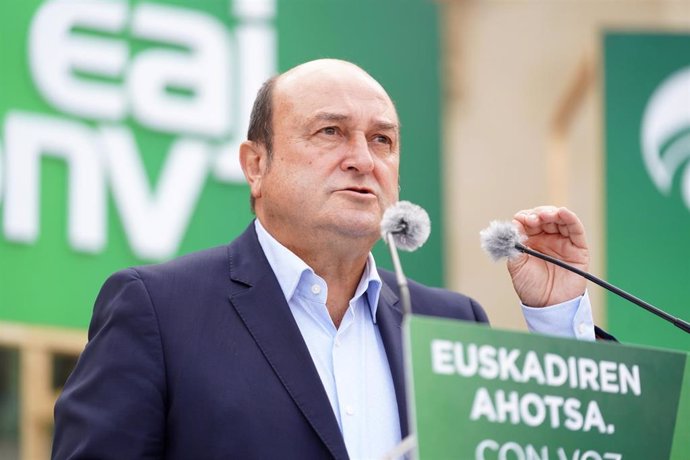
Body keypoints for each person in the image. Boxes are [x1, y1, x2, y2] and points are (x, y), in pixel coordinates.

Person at [52, 59, 600, 460]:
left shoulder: (449, 323)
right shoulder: (158, 310)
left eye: (382, 140)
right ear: (256, 164)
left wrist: (557, 317)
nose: (362, 160)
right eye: (330, 132)